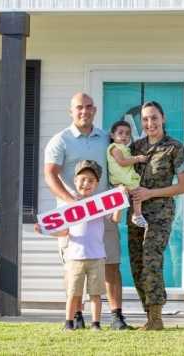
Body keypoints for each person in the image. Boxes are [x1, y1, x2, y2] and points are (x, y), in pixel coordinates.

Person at [43, 92, 131, 330]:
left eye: (89, 107)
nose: (84, 111)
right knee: (75, 267)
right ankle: (77, 316)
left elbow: (120, 164)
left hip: (103, 212)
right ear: (71, 111)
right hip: (72, 217)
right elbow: (50, 174)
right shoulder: (60, 140)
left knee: (110, 263)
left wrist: (121, 192)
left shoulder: (106, 138)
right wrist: (71, 201)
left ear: (95, 110)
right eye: (79, 107)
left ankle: (116, 316)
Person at [35, 161, 123, 331]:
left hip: (97, 256)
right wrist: (45, 230)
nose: (86, 184)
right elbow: (63, 232)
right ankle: (68, 323)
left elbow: (115, 219)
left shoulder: (100, 204)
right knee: (73, 293)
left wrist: (119, 204)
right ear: (75, 181)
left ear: (97, 184)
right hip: (74, 257)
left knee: (95, 294)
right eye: (82, 179)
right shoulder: (70, 205)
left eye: (91, 180)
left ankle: (96, 324)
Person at [128, 101, 184, 331]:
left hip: (160, 213)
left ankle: (156, 318)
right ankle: (149, 315)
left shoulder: (175, 148)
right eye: (145, 119)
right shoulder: (135, 148)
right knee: (137, 263)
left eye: (154, 118)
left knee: (151, 259)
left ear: (163, 118)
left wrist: (150, 193)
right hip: (135, 213)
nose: (149, 123)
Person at [107, 120, 149, 228]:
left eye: (127, 133)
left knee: (129, 196)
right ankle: (134, 215)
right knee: (135, 194)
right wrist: (137, 159)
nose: (124, 136)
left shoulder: (125, 148)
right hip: (121, 178)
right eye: (120, 133)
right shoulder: (115, 148)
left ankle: (127, 216)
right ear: (112, 135)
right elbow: (122, 162)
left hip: (125, 178)